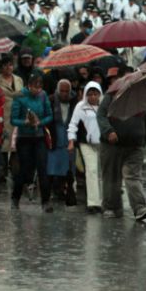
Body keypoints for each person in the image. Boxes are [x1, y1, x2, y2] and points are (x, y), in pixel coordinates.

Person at [96, 88, 146, 221]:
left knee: (133, 176)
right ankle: (111, 207)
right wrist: (108, 131)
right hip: (112, 145)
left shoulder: (141, 98)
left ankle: (139, 207)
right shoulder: (111, 96)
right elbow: (101, 115)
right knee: (112, 177)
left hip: (135, 145)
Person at [10, 72, 53, 211]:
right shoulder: (20, 96)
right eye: (35, 87)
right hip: (24, 138)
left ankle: (45, 202)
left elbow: (49, 115)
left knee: (42, 168)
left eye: (40, 87)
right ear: (28, 86)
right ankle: (15, 197)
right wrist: (25, 122)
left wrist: (40, 123)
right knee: (25, 169)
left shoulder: (43, 95)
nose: (37, 90)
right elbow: (13, 119)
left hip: (39, 136)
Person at [67, 81, 103, 213]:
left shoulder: (105, 106)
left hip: (103, 143)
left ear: (100, 94)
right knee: (91, 170)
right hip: (86, 143)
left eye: (95, 94)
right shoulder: (80, 107)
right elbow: (73, 124)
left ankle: (103, 200)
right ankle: (93, 203)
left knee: (102, 172)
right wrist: (71, 140)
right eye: (90, 94)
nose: (93, 97)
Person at [47, 79, 78, 207]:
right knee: (52, 166)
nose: (65, 94)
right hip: (55, 137)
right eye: (62, 91)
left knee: (68, 168)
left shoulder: (75, 102)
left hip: (68, 138)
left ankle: (65, 190)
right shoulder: (51, 101)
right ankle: (53, 191)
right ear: (57, 90)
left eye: (67, 91)